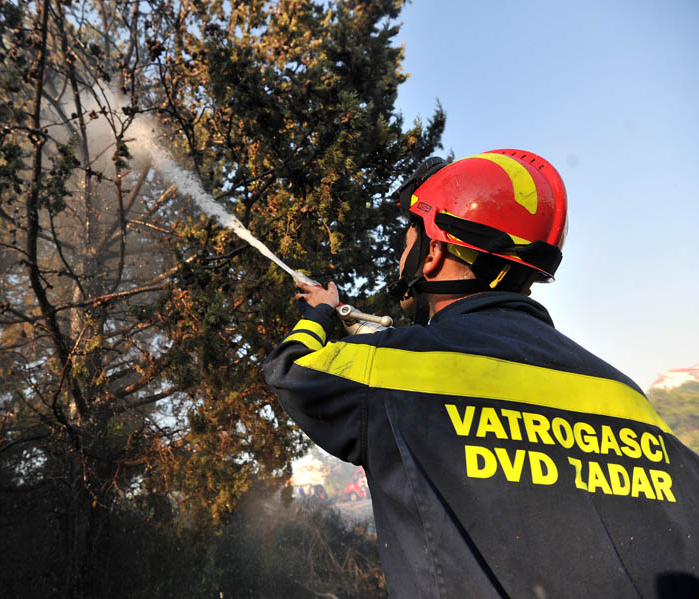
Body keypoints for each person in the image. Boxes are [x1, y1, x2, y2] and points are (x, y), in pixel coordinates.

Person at [263, 149, 699, 599]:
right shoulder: (626, 395)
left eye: (409, 238)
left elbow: (290, 369)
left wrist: (319, 313)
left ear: (431, 254)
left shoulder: (392, 369)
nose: (403, 251)